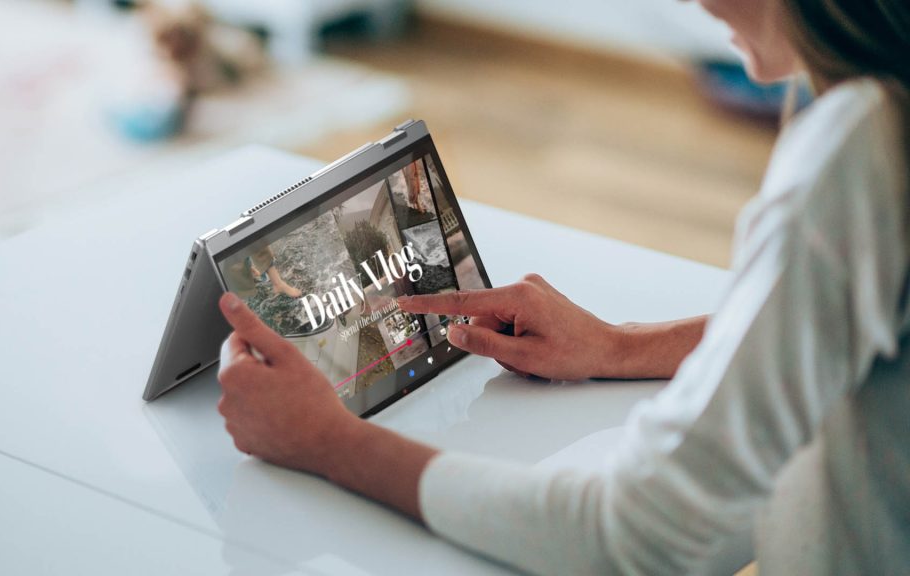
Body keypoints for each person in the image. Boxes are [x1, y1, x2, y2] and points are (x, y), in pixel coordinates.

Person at [215, 0, 910, 573]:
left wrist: (326, 441)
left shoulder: (861, 147)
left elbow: (639, 534)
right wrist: (618, 345)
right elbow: (829, 333)